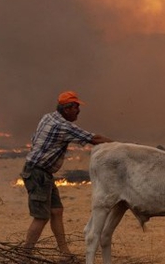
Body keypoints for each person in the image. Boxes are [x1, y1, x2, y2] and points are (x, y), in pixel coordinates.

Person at [21, 91, 112, 254]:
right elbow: (93, 139)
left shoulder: (47, 117)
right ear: (67, 108)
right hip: (38, 174)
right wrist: (121, 145)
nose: (78, 111)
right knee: (41, 217)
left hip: (42, 173)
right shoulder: (64, 126)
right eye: (76, 107)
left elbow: (34, 139)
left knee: (56, 211)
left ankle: (65, 253)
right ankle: (25, 254)